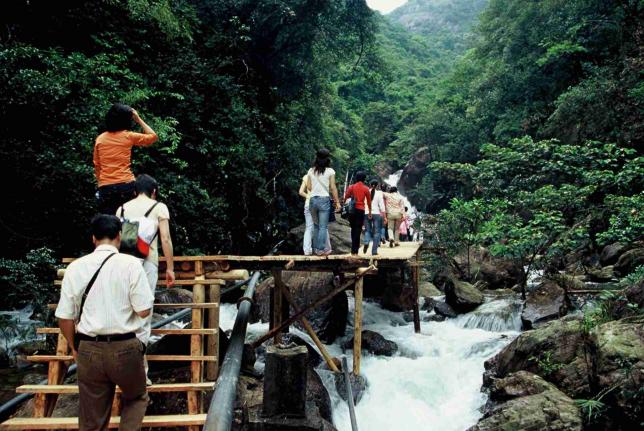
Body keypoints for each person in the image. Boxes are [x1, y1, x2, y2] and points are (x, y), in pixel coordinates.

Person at [55, 214, 154, 431]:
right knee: (136, 398)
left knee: (91, 417)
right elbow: (144, 310)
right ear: (119, 236)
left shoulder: (75, 267)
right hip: (125, 348)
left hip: (88, 348)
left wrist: (74, 347)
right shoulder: (131, 264)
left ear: (93, 238)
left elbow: (64, 317)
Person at [118, 175, 175, 384]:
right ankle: (140, 372)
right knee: (144, 314)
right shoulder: (159, 207)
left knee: (125, 310)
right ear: (154, 191)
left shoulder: (121, 209)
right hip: (147, 262)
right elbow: (165, 238)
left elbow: (118, 241)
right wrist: (170, 268)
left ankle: (120, 369)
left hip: (123, 264)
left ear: (134, 192)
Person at [94, 103, 158, 215]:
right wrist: (138, 119)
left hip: (106, 186)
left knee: (107, 226)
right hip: (126, 185)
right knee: (129, 224)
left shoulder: (100, 139)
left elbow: (97, 165)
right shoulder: (128, 136)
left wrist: (101, 183)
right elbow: (153, 137)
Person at [306, 149, 341, 256]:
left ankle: (316, 249)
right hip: (324, 200)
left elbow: (309, 187)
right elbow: (333, 187)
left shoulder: (311, 171)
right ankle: (320, 250)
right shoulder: (330, 171)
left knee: (316, 226)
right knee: (323, 227)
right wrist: (337, 202)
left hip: (312, 200)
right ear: (327, 159)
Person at [299, 174, 332, 255]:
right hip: (321, 204)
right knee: (323, 227)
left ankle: (307, 250)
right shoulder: (324, 176)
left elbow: (300, 192)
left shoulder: (307, 176)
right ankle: (326, 249)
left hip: (309, 204)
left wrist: (309, 197)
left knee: (309, 227)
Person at [344, 172, 372, 256]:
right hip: (360, 210)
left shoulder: (351, 187)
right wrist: (370, 212)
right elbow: (369, 202)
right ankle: (355, 250)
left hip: (352, 211)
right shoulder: (366, 188)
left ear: (356, 178)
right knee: (358, 230)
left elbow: (346, 197)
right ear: (364, 179)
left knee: (353, 229)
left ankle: (353, 250)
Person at [362, 179, 386, 255]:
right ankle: (374, 251)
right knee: (377, 232)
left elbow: (362, 203)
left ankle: (366, 242)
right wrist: (385, 217)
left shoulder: (366, 192)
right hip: (376, 214)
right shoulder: (379, 193)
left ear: (370, 185)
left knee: (367, 230)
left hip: (366, 213)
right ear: (377, 186)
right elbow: (382, 207)